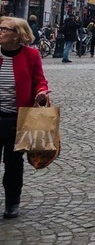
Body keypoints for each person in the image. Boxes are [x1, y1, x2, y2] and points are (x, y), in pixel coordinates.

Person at [0, 16, 51, 219]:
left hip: (17, 119)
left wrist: (41, 92)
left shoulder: (31, 55)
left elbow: (40, 80)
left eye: (5, 29)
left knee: (13, 164)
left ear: (18, 35)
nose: (0, 31)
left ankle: (12, 202)